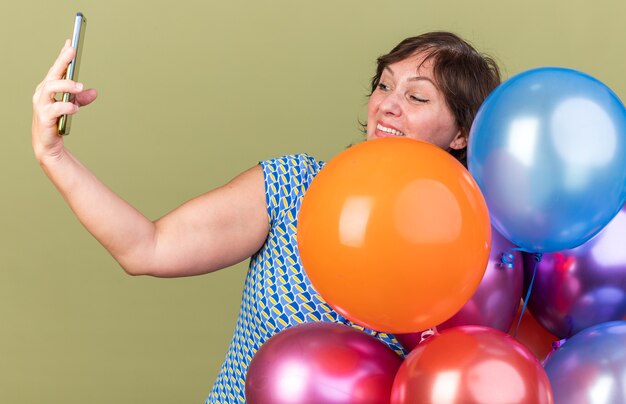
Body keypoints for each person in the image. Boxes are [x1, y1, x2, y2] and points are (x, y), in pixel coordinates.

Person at [32, 31, 501, 403]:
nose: (387, 105)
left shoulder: (479, 255)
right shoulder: (293, 188)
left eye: (417, 97)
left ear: (461, 133)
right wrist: (54, 155)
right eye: (383, 85)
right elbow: (145, 247)